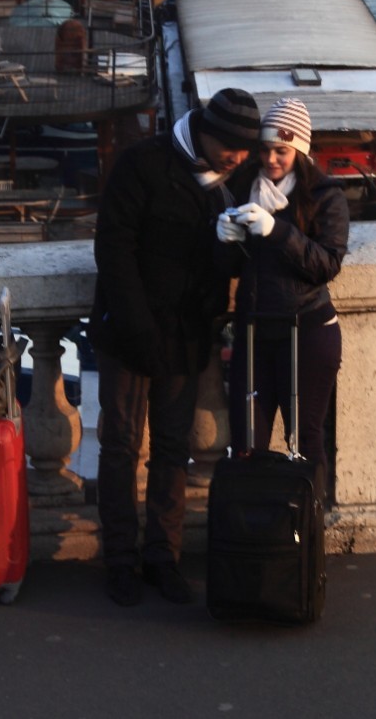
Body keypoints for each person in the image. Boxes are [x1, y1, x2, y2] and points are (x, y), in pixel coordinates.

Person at [90, 87, 261, 606]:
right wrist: (138, 327)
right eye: (230, 148)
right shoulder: (142, 164)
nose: (237, 158)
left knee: (173, 450)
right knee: (119, 446)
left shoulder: (231, 188)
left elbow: (225, 268)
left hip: (188, 335)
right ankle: (121, 559)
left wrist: (233, 248)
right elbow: (114, 248)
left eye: (244, 151)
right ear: (205, 133)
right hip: (129, 331)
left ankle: (163, 557)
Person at [220, 98, 349, 466]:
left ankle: (306, 523)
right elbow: (232, 268)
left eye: (282, 151)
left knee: (305, 441)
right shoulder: (245, 187)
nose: (271, 159)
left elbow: (327, 264)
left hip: (306, 331)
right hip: (254, 333)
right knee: (245, 443)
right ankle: (255, 523)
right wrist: (224, 240)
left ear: (300, 151)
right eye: (265, 150)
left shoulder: (326, 196)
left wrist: (278, 232)